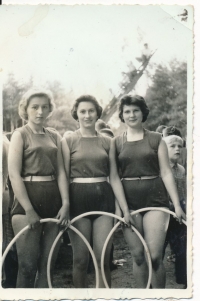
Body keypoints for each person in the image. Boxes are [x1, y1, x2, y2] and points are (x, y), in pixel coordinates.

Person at [109, 94, 186, 288]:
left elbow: (166, 172)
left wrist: (176, 205)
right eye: (127, 111)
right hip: (129, 201)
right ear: (122, 115)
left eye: (136, 110)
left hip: (155, 199)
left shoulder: (156, 139)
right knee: (138, 256)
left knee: (154, 256)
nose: (132, 115)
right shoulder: (116, 142)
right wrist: (123, 209)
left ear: (143, 113)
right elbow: (115, 177)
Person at [61, 95, 126, 288]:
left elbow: (114, 177)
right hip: (77, 200)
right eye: (83, 111)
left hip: (103, 200)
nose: (87, 115)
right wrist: (65, 204)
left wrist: (122, 208)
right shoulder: (69, 140)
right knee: (80, 260)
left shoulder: (108, 142)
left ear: (97, 113)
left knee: (102, 259)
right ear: (77, 114)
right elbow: (63, 175)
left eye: (91, 111)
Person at [8, 88, 70, 288]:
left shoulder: (54, 135)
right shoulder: (20, 134)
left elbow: (61, 172)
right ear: (25, 109)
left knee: (48, 267)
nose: (40, 112)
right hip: (28, 202)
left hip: (54, 201)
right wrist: (28, 209)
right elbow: (14, 174)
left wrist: (66, 203)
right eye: (34, 107)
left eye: (44, 107)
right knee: (27, 267)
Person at [163, 135, 187, 287]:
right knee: (158, 249)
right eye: (172, 146)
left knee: (182, 247)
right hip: (164, 212)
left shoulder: (181, 169)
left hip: (179, 213)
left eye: (180, 146)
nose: (177, 149)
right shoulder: (160, 169)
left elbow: (183, 191)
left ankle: (183, 282)